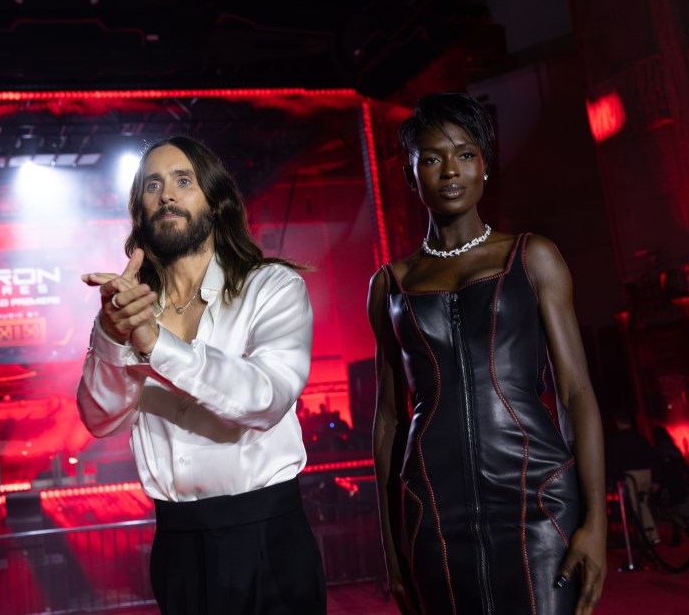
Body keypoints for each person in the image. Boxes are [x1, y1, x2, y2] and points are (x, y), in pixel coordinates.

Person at [368, 93, 607, 615]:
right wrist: (391, 549)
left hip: (537, 500)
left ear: (485, 165)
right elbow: (388, 421)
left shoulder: (532, 257)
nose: (450, 170)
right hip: (434, 512)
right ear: (411, 176)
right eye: (432, 158)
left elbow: (575, 392)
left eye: (465, 154)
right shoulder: (390, 285)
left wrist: (596, 522)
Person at [76, 135, 326, 614]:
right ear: (140, 211)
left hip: (265, 537)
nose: (166, 194)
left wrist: (156, 344)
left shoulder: (271, 287)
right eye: (153, 185)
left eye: (183, 181)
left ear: (215, 199)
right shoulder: (131, 309)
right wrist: (111, 334)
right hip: (177, 543)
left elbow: (266, 398)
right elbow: (99, 418)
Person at [606, 411, 661, 545]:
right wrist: (655, 478)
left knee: (636, 506)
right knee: (643, 504)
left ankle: (646, 536)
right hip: (646, 473)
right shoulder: (641, 437)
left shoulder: (619, 439)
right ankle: (651, 535)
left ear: (618, 423)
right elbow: (653, 457)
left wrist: (611, 478)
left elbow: (615, 461)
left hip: (632, 475)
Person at [651, 424, 689, 546]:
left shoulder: (659, 449)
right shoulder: (673, 447)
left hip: (668, 484)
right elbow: (683, 465)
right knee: (675, 510)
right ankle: (676, 536)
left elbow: (660, 469)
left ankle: (685, 530)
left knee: (669, 511)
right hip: (678, 482)